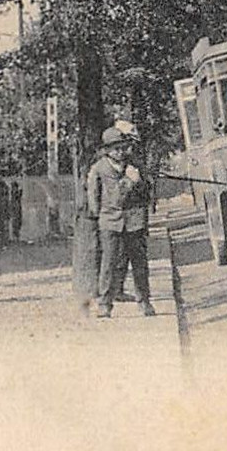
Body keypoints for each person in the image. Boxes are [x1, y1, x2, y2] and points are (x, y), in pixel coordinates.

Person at [87, 127, 156, 318]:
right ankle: (105, 304)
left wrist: (140, 182)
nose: (119, 151)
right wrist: (128, 181)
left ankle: (144, 302)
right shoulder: (99, 169)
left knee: (139, 264)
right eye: (114, 148)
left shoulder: (134, 165)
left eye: (122, 147)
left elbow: (146, 194)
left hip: (134, 222)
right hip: (110, 222)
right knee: (108, 264)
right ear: (106, 150)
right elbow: (97, 197)